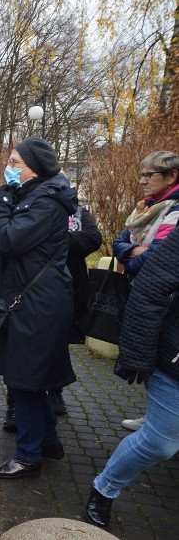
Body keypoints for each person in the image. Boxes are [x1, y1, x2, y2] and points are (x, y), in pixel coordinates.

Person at [0, 136, 77, 479]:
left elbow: (9, 239)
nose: (10, 167)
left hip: (37, 304)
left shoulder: (47, 201)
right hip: (25, 301)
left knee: (24, 381)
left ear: (36, 167)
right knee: (28, 378)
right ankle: (48, 441)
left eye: (16, 162)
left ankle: (28, 456)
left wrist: (2, 198)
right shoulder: (30, 195)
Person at [83, 226, 179, 530]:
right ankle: (104, 488)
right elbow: (150, 287)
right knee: (161, 442)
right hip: (174, 359)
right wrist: (137, 356)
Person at [3, 201, 102, 432]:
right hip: (31, 288)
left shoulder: (78, 211)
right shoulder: (29, 209)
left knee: (59, 344)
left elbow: (92, 238)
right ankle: (14, 405)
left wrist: (56, 239)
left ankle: (55, 392)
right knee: (21, 349)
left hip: (70, 287)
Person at [111, 151, 179, 432]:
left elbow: (157, 258)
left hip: (164, 301)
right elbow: (118, 242)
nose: (141, 181)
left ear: (171, 176)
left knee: (161, 356)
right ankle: (155, 413)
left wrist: (132, 257)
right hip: (141, 294)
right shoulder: (146, 209)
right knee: (148, 354)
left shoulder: (174, 211)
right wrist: (133, 252)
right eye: (141, 174)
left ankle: (160, 419)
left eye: (148, 175)